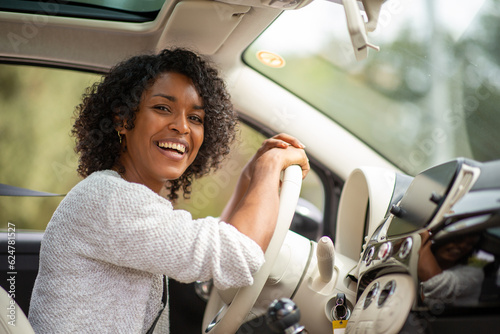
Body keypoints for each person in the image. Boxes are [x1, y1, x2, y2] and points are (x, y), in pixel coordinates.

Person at [28, 48, 309, 333]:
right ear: (122, 120)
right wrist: (269, 168)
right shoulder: (109, 198)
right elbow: (237, 255)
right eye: (163, 108)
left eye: (196, 118)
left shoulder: (122, 197)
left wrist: (247, 180)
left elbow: (217, 257)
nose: (182, 127)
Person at [418, 230, 484, 307]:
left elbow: (435, 284)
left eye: (470, 244)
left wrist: (422, 241)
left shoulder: (474, 272)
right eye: (458, 239)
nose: (463, 246)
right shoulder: (417, 262)